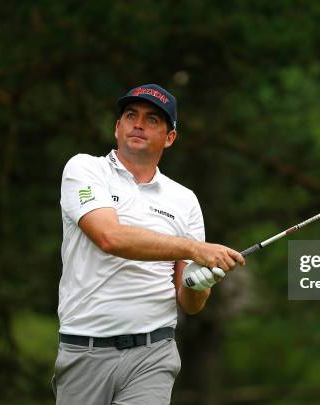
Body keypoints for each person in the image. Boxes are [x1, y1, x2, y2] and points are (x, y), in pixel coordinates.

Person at [52, 83, 245, 404]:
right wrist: (194, 249)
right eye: (131, 115)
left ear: (169, 137)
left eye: (152, 119)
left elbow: (190, 304)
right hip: (84, 349)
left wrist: (200, 281)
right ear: (117, 128)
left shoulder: (184, 200)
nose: (138, 124)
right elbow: (109, 237)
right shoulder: (85, 169)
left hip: (152, 354)